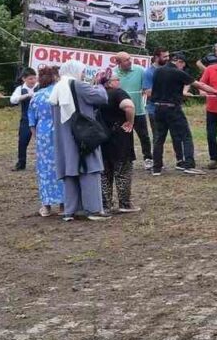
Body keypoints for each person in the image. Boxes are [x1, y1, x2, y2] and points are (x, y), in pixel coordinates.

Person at [47, 59, 109, 221]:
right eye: (82, 71)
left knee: (70, 171)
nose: (83, 74)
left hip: (64, 137)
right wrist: (100, 84)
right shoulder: (78, 85)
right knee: (90, 168)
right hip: (82, 135)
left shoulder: (57, 88)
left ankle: (71, 210)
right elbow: (101, 98)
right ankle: (93, 209)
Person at [150, 52, 217, 175]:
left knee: (159, 138)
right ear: (179, 62)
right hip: (172, 109)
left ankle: (156, 168)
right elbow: (199, 84)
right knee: (186, 136)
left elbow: (166, 87)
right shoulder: (178, 73)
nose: (183, 67)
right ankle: (189, 165)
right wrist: (216, 92)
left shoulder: (158, 71)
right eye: (183, 65)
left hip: (158, 108)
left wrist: (179, 92)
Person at [97, 71, 139, 214]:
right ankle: (125, 204)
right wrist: (130, 121)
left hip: (101, 137)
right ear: (109, 82)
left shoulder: (96, 94)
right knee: (122, 171)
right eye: (116, 79)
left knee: (104, 173)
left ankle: (105, 204)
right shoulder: (117, 93)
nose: (119, 82)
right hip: (120, 137)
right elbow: (129, 106)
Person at [27, 66, 63, 216]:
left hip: (43, 133)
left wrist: (38, 138)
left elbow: (31, 121)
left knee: (45, 169)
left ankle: (46, 205)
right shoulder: (61, 93)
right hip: (61, 132)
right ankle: (63, 204)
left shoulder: (37, 96)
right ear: (55, 77)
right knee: (62, 166)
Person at [142, 49, 180, 168]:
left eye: (168, 56)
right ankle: (158, 163)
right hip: (155, 110)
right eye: (165, 56)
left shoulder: (171, 69)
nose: (168, 58)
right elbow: (147, 92)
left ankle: (180, 161)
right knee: (158, 137)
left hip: (172, 108)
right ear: (156, 57)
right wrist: (166, 91)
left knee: (177, 134)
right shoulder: (149, 72)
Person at [112, 52, 149, 163]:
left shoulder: (140, 70)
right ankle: (127, 158)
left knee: (144, 136)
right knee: (124, 136)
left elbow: (146, 87)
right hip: (121, 112)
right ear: (118, 62)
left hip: (138, 110)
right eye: (126, 60)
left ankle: (148, 158)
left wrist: (145, 90)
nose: (129, 61)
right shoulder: (113, 73)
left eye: (129, 59)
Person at [9, 68, 38, 170]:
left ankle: (43, 163)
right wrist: (25, 96)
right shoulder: (20, 89)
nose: (33, 81)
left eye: (34, 78)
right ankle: (21, 163)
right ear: (24, 79)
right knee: (22, 141)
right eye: (30, 79)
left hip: (39, 118)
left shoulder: (40, 87)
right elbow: (12, 100)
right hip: (26, 119)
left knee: (42, 141)